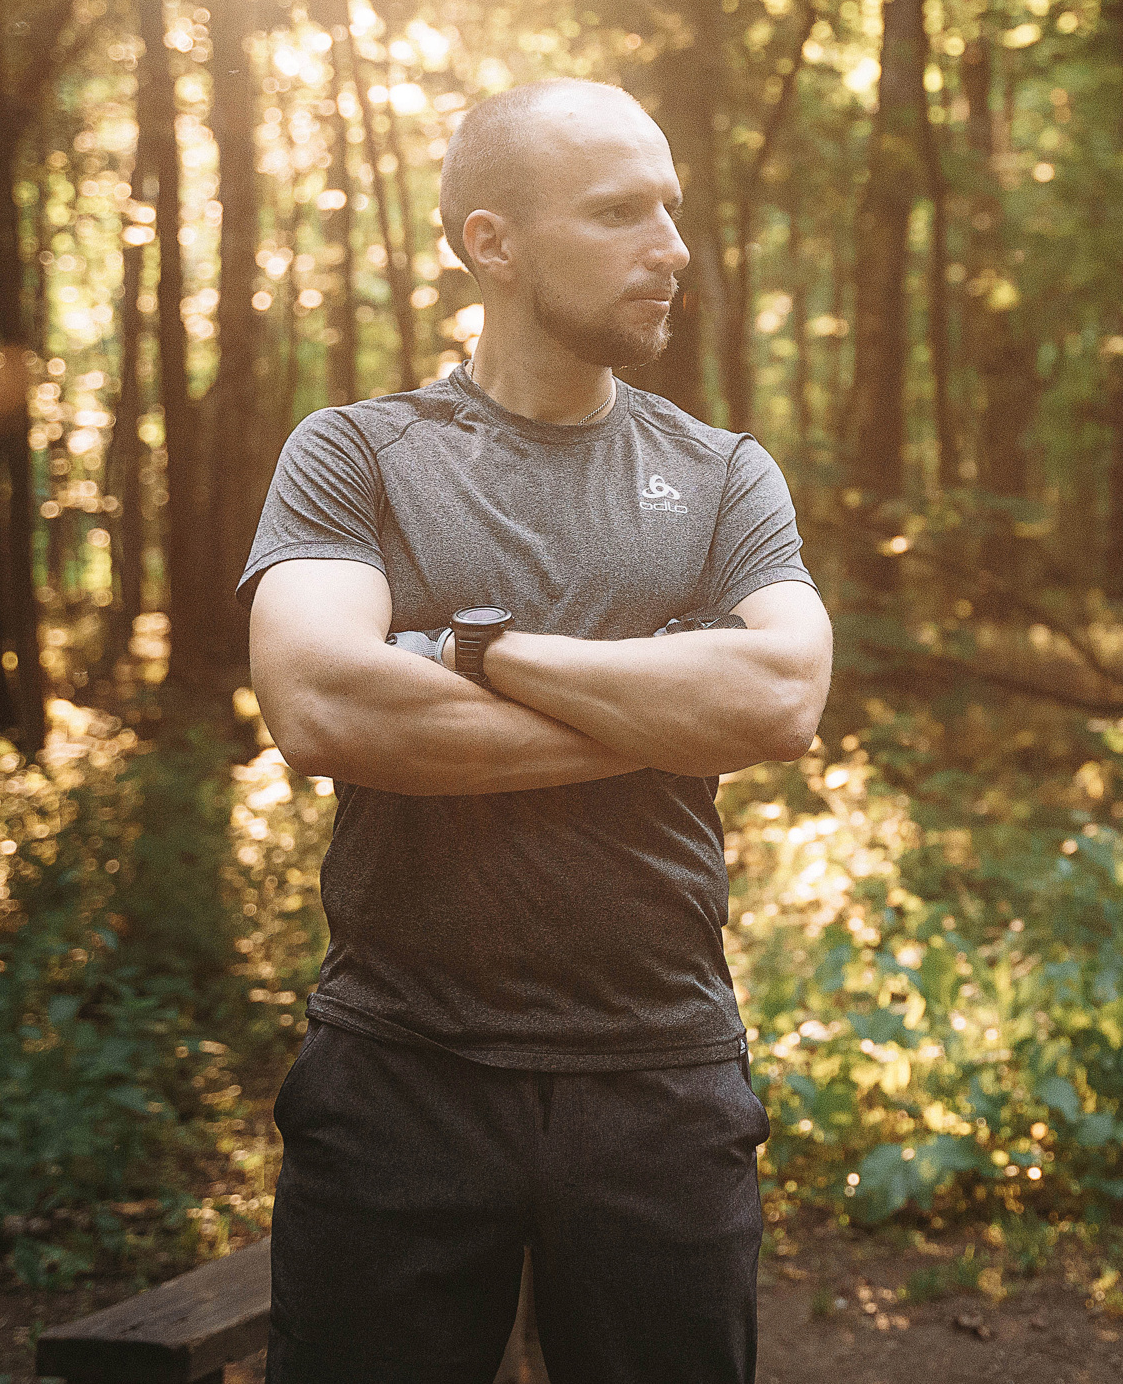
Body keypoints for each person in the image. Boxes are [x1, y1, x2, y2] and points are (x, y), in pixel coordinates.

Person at [241, 78, 834, 1384]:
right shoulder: (358, 456)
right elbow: (323, 702)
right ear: (491, 244)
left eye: (671, 211)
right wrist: (671, 704)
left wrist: (472, 649)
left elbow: (782, 699)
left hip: (661, 1080)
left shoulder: (725, 472)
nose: (671, 249)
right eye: (622, 213)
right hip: (398, 1072)